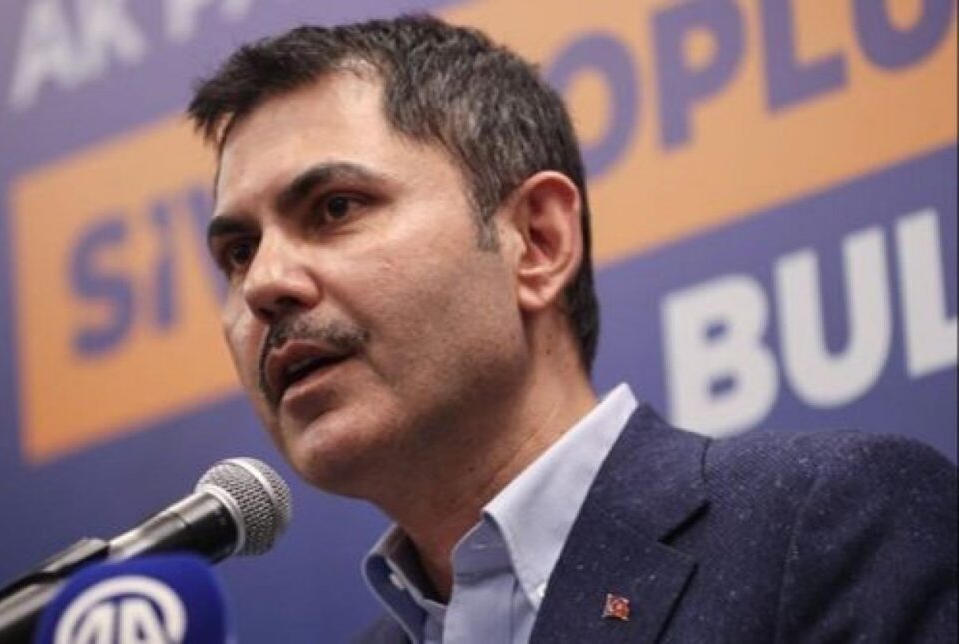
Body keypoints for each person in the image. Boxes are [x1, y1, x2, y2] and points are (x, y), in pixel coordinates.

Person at [187, 14, 957, 643]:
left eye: (335, 209)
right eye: (238, 252)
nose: (263, 285)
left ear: (538, 241)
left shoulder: (823, 529)